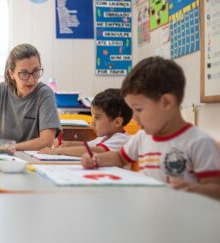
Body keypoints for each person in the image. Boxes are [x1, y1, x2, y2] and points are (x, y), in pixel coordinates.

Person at [81, 56, 220, 200]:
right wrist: (97, 159)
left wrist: (193, 189)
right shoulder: (143, 137)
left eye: (139, 109)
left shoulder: (199, 142)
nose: (134, 117)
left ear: (166, 102)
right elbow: (120, 157)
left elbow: (216, 189)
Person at [0, 43, 60, 152]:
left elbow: (46, 141)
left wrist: (10, 147)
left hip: (33, 160)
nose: (32, 80)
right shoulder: (0, 91)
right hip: (2, 158)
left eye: (36, 71)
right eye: (24, 73)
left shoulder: (45, 94)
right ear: (11, 73)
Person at [39, 88, 132, 156]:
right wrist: (68, 144)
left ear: (117, 122)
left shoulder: (121, 139)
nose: (92, 123)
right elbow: (87, 145)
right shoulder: (105, 137)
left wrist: (58, 151)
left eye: (97, 117)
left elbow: (92, 150)